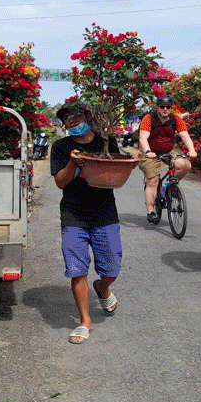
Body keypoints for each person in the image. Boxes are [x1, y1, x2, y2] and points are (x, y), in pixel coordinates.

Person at [50, 99, 123, 344]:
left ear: (87, 116)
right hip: (73, 216)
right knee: (77, 270)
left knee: (112, 267)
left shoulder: (106, 141)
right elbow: (61, 182)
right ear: (64, 124)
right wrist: (73, 162)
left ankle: (103, 287)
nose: (73, 120)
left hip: (104, 214)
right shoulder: (61, 147)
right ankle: (84, 321)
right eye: (67, 118)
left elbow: (116, 169)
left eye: (77, 115)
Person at [137, 95, 198, 223]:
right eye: (162, 107)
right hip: (150, 152)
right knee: (153, 181)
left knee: (185, 165)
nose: (165, 109)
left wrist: (192, 150)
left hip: (168, 151)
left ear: (171, 108)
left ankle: (170, 186)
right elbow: (143, 138)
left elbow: (185, 136)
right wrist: (148, 151)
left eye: (168, 107)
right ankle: (150, 211)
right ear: (157, 108)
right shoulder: (149, 118)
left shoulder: (175, 119)